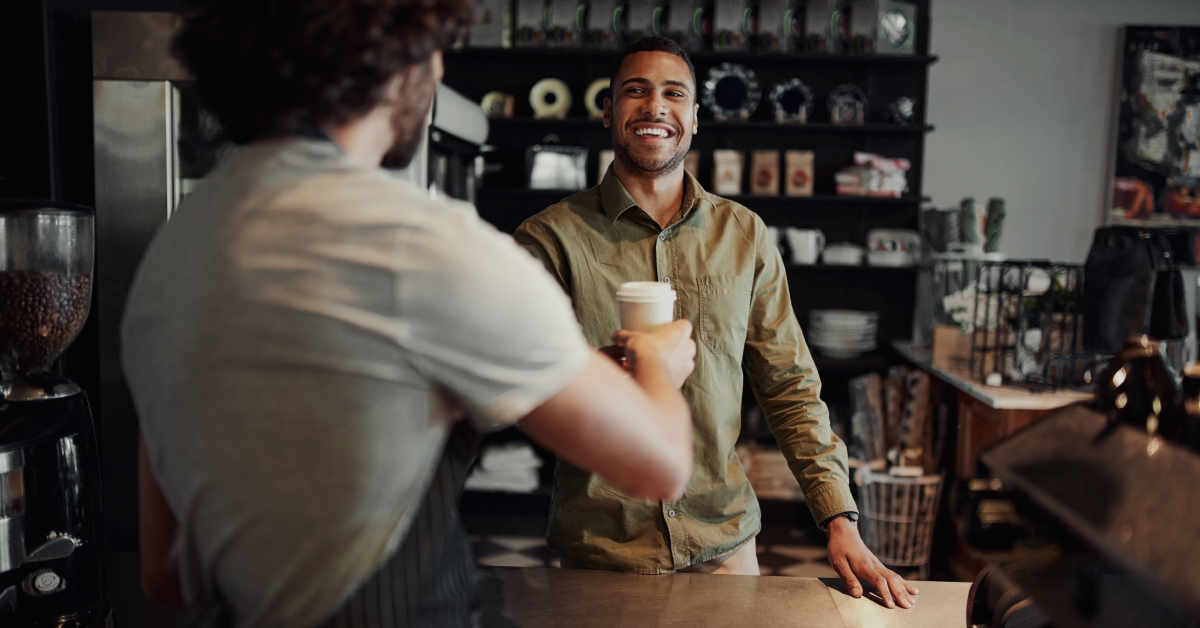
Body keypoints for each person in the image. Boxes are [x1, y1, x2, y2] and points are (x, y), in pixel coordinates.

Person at [121, 3, 698, 627]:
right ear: (399, 60)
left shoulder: (174, 250)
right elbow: (659, 465)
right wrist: (655, 361)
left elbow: (166, 573)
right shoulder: (420, 246)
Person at [514, 36, 919, 609]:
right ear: (608, 111)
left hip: (725, 547)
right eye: (636, 91)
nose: (655, 107)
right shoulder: (547, 239)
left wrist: (840, 518)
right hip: (600, 551)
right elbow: (527, 389)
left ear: (696, 118)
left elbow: (790, 386)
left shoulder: (745, 236)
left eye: (673, 93)